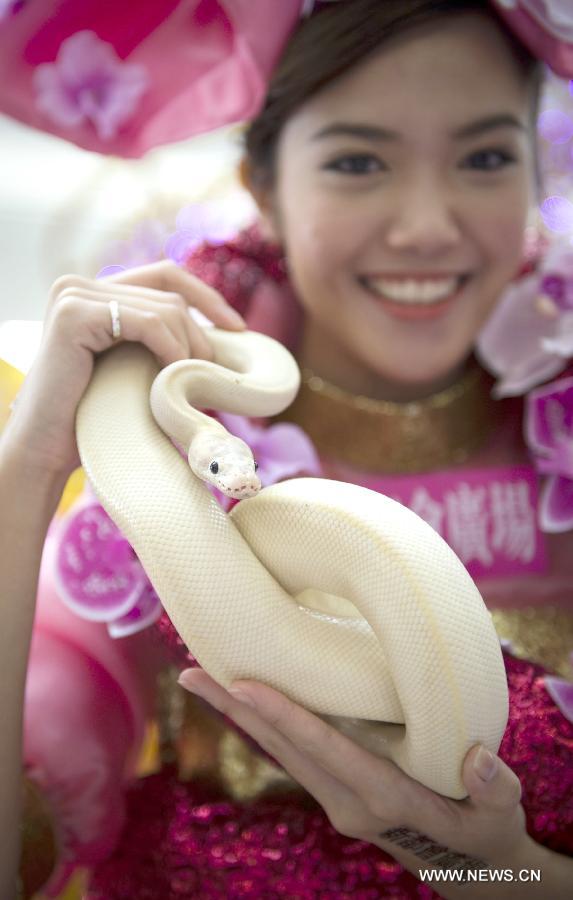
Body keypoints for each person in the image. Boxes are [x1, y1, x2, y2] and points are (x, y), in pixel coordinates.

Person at [1, 0, 573, 897]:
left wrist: (506, 878)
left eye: (485, 157)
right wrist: (26, 473)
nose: (425, 224)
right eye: (356, 160)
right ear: (262, 187)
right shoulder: (149, 469)